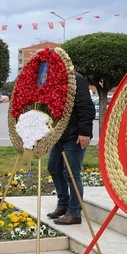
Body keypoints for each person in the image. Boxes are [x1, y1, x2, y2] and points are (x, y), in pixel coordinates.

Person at [47, 72, 95, 225]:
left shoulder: (76, 79)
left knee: (71, 173)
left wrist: (85, 132)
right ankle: (63, 205)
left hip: (74, 136)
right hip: (59, 135)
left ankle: (74, 213)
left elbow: (86, 107)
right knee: (53, 168)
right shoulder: (53, 80)